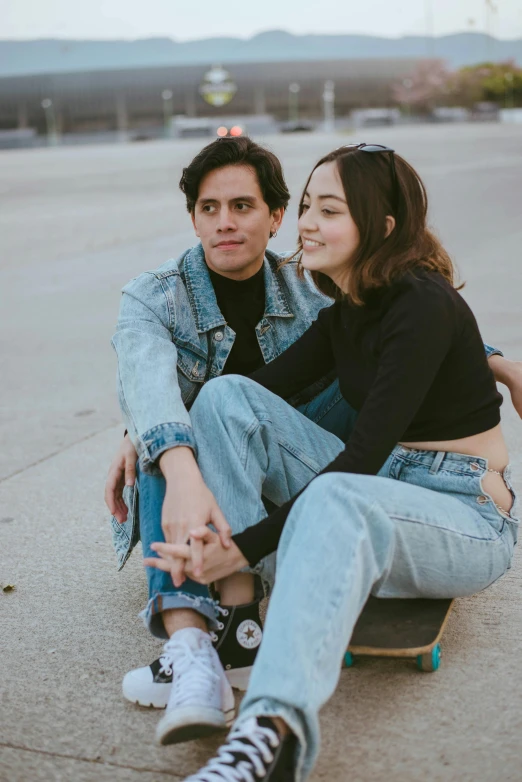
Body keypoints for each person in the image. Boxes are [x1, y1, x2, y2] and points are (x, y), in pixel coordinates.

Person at [108, 137, 521, 743]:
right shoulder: (341, 308)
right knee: (218, 401)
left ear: (381, 226)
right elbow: (236, 393)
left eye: (329, 211)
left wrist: (242, 546)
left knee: (334, 493)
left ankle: (259, 700)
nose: (307, 224)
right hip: (375, 488)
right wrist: (146, 431)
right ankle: (240, 627)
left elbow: (364, 452)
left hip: (460, 510)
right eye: (308, 206)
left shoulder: (414, 301)